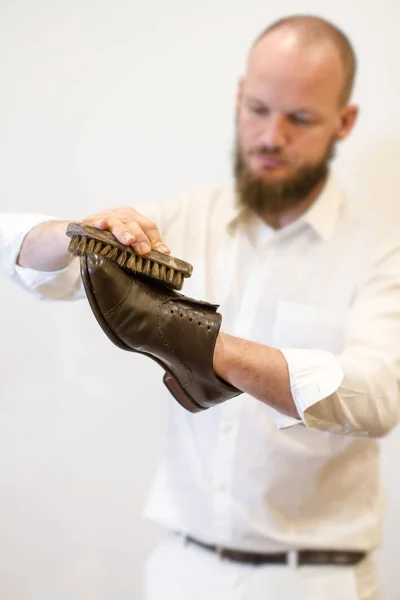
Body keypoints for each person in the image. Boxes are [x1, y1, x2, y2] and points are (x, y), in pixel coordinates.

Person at [1, 14, 400, 600]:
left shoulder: (380, 252)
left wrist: (201, 346)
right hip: (183, 574)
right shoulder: (186, 220)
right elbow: (26, 257)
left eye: (300, 118)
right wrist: (78, 234)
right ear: (239, 97)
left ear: (344, 122)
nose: (271, 136)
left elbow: (380, 395)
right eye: (259, 108)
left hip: (318, 582)